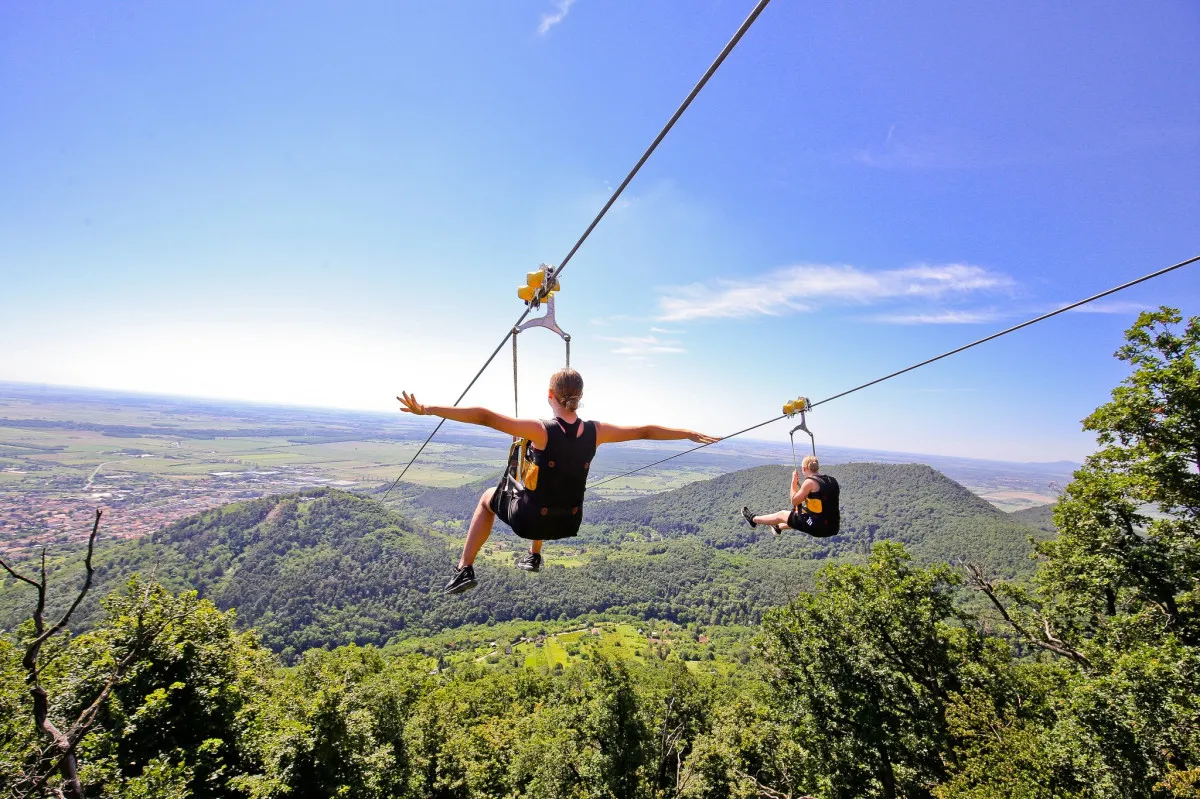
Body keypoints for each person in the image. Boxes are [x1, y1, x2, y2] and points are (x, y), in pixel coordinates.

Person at [398, 368, 718, 594]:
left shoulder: (541, 430)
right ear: (580, 398)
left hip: (532, 521)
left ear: (550, 395)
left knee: (488, 497)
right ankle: (534, 556)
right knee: (540, 491)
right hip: (567, 523)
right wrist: (687, 433)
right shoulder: (596, 431)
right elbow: (645, 430)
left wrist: (428, 409)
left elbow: (485, 416)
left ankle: (464, 568)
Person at [741, 455, 840, 537]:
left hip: (818, 527)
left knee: (782, 514)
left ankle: (752, 520)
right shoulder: (832, 480)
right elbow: (820, 501)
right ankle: (778, 527)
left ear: (804, 469)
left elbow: (794, 501)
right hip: (833, 527)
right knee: (799, 513)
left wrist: (793, 482)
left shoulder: (810, 482)